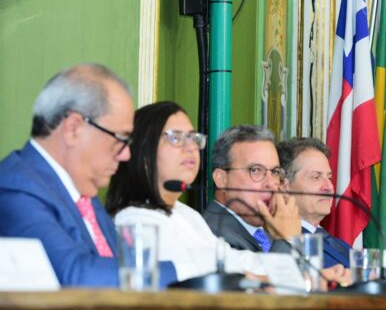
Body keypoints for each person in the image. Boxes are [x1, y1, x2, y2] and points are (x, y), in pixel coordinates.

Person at [0, 63, 177, 287]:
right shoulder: (15, 189)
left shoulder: (85, 194)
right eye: (120, 139)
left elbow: (121, 266)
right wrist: (188, 269)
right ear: (73, 129)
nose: (126, 154)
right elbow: (76, 277)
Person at [105, 102, 265, 280]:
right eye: (176, 138)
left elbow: (230, 259)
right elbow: (192, 276)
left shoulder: (186, 214)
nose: (191, 147)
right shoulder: (134, 220)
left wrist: (282, 268)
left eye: (193, 138)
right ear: (143, 152)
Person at [203, 125, 300, 254]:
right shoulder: (211, 235)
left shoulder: (268, 235)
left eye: (275, 172)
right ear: (221, 179)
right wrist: (286, 240)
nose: (271, 184)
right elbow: (273, 268)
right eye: (255, 170)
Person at [277, 138, 352, 268]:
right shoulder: (279, 242)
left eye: (329, 178)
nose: (329, 187)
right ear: (284, 187)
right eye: (316, 177)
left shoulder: (340, 244)